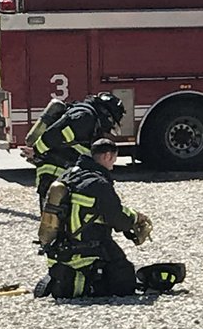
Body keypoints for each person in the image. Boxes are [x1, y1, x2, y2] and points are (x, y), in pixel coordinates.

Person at [33, 139, 184, 299]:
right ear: (107, 156)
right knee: (125, 281)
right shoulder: (98, 183)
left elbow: (96, 210)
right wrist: (136, 220)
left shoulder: (69, 174)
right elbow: (116, 216)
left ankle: (62, 278)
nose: (113, 165)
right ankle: (85, 285)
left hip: (60, 251)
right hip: (88, 249)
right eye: (114, 159)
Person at [25, 92, 125, 209]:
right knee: (52, 221)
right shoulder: (84, 118)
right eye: (111, 121)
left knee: (60, 220)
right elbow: (55, 134)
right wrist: (36, 151)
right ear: (107, 115)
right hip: (54, 173)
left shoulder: (90, 120)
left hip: (61, 174)